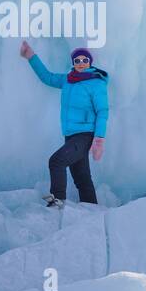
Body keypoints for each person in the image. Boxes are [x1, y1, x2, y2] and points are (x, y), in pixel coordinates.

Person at [20, 40, 107, 208]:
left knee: (56, 161)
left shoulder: (96, 83)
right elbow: (48, 77)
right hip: (71, 135)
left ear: (90, 62)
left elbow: (102, 112)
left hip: (85, 135)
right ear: (73, 63)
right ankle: (92, 211)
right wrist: (31, 56)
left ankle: (57, 201)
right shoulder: (68, 80)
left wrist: (99, 140)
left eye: (84, 60)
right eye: (77, 61)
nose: (81, 63)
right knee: (82, 178)